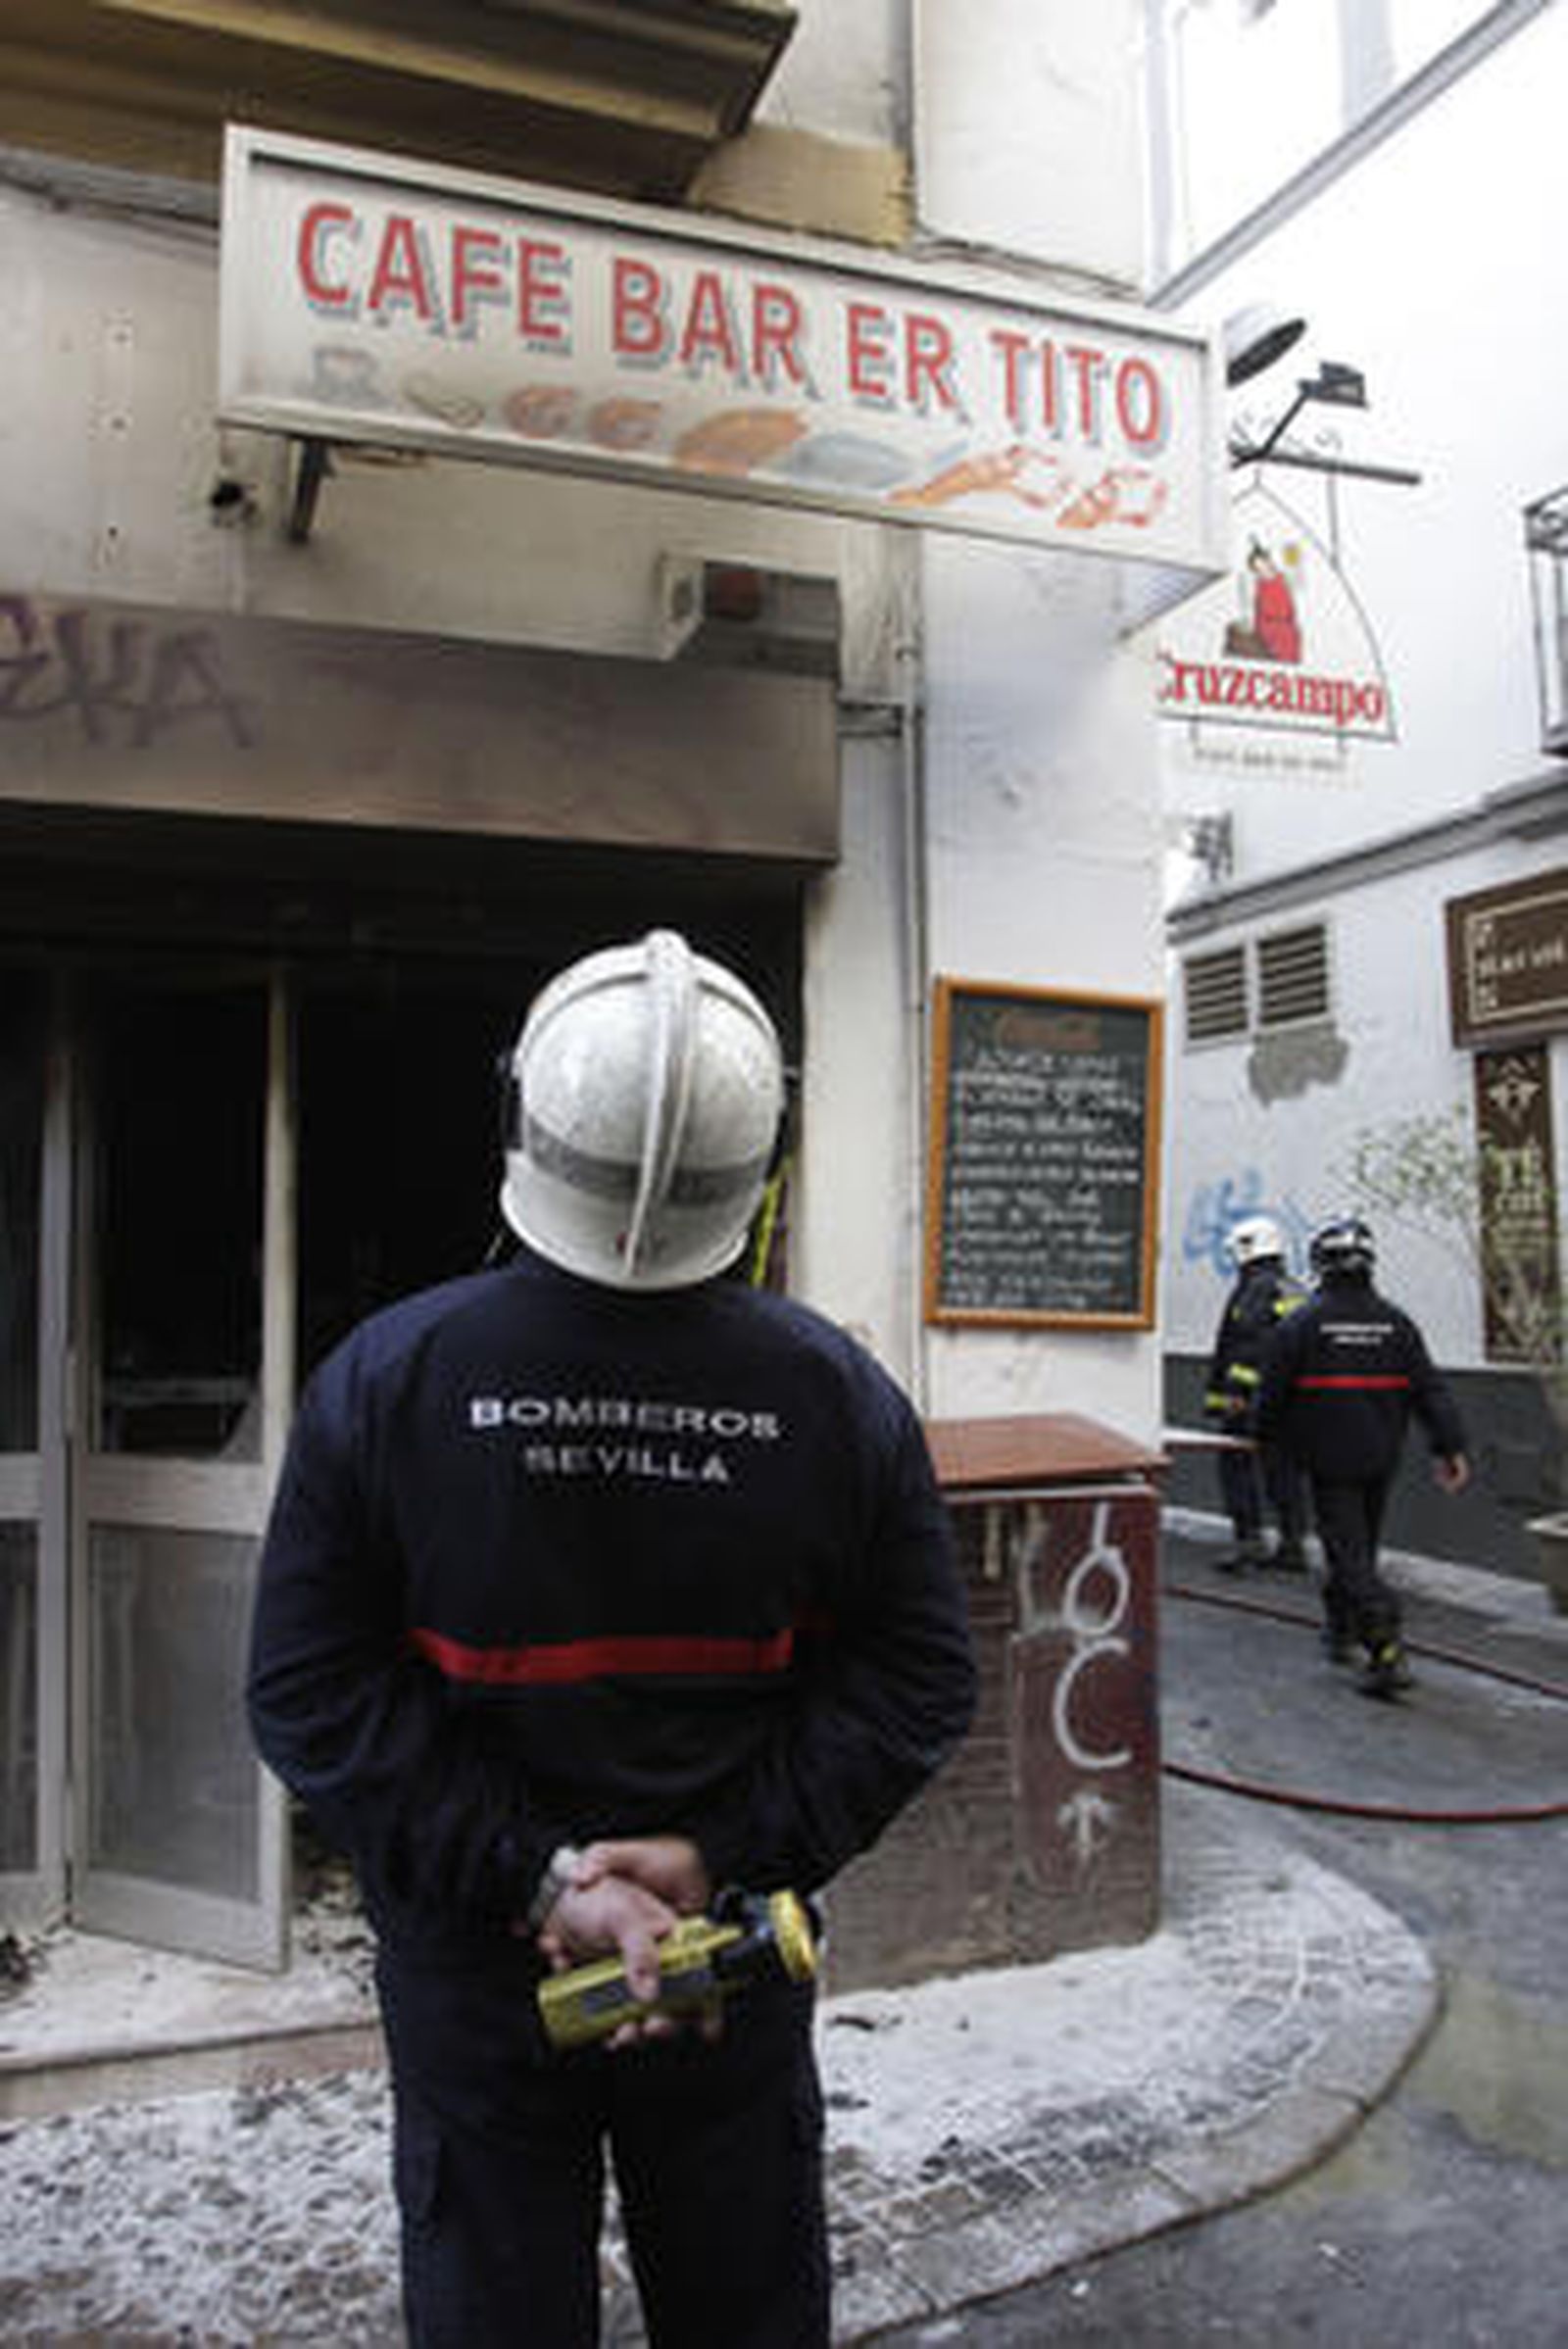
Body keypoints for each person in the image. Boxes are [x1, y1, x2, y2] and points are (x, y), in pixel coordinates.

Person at [246, 929, 977, 2349]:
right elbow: (919, 1676)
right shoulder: (837, 1400)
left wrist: (544, 1880)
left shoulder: (385, 1383)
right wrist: (720, 1855)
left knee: (494, 2305)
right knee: (743, 2299)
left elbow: (308, 1695)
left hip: (478, 1973)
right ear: (760, 1160)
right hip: (726, 1961)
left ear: (525, 1118)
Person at [1256, 1213, 1470, 1699]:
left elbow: (1270, 1398)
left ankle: (1385, 1648)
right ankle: (1341, 1629)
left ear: (1320, 1264)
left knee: (1349, 1554)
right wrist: (1449, 1446)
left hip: (1329, 1463)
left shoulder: (1301, 1325)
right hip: (1380, 1459)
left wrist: (1263, 1441)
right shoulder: (1397, 1324)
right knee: (1357, 1547)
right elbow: (1431, 1390)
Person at [1202, 1213, 1309, 1573]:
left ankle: (1249, 1541)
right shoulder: (1293, 1287)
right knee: (1283, 1471)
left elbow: (1248, 1345)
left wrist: (1235, 1392)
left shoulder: (1255, 1289)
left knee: (1236, 1465)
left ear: (1249, 1248)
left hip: (1251, 1401)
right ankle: (1292, 1544)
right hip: (1289, 1402)